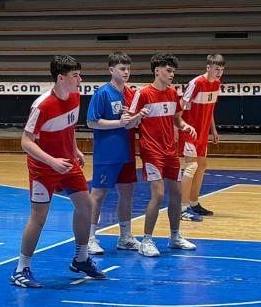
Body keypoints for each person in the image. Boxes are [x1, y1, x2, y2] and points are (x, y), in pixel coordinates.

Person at [11, 55, 106, 288]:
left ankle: (81, 259)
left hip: (67, 164)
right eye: (75, 76)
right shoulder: (42, 105)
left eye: (79, 75)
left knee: (86, 206)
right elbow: (26, 142)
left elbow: (69, 127)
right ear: (61, 78)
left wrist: (75, 150)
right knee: (39, 217)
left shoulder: (75, 96)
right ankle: (21, 269)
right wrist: (52, 161)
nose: (80, 80)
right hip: (43, 168)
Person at [127, 53, 198, 257]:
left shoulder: (173, 93)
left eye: (173, 71)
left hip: (170, 152)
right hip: (151, 152)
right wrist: (137, 116)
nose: (172, 74)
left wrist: (185, 126)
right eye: (168, 70)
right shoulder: (143, 94)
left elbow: (176, 119)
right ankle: (146, 241)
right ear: (157, 71)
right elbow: (128, 122)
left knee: (177, 194)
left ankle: (175, 237)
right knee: (158, 195)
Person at [85, 52, 143, 255]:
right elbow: (91, 122)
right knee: (98, 194)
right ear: (111, 70)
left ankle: (125, 237)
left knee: (127, 193)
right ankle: (89, 238)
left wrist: (138, 117)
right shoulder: (102, 93)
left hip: (127, 151)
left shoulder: (132, 94)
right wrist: (119, 122)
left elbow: (130, 123)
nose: (126, 72)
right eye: (122, 69)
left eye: (128, 69)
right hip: (107, 153)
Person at [179, 53, 225, 222]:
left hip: (203, 133)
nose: (219, 72)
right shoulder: (196, 83)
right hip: (190, 131)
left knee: (202, 165)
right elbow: (181, 105)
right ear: (208, 67)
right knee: (191, 166)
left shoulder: (217, 84)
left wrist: (214, 129)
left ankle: (194, 202)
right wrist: (178, 127)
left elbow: (210, 108)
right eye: (216, 69)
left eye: (221, 69)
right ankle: (182, 208)